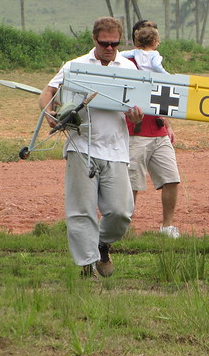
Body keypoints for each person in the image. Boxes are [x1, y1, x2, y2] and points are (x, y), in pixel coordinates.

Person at [38, 17, 143, 278]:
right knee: (81, 210)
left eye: (115, 43)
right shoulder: (76, 66)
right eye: (104, 43)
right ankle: (87, 266)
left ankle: (101, 244)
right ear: (94, 40)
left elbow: (137, 112)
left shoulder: (129, 68)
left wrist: (136, 118)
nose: (109, 48)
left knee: (121, 212)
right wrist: (48, 114)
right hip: (81, 144)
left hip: (116, 148)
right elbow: (47, 92)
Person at [124, 19, 181, 239]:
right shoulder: (126, 64)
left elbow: (161, 95)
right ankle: (125, 226)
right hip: (134, 132)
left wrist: (167, 123)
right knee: (132, 183)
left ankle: (167, 226)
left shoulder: (132, 57)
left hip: (158, 131)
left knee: (171, 178)